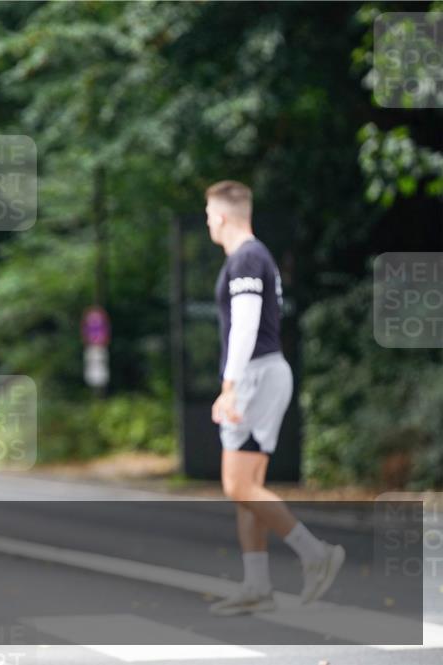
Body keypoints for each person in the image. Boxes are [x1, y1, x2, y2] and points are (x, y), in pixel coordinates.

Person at [204, 181, 344, 616]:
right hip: (265, 372)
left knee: (238, 485)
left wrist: (229, 386)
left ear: (223, 215)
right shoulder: (253, 256)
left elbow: (245, 325)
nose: (208, 220)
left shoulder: (246, 256)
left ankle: (315, 553)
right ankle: (257, 585)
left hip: (256, 374)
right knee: (249, 489)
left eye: (209, 212)